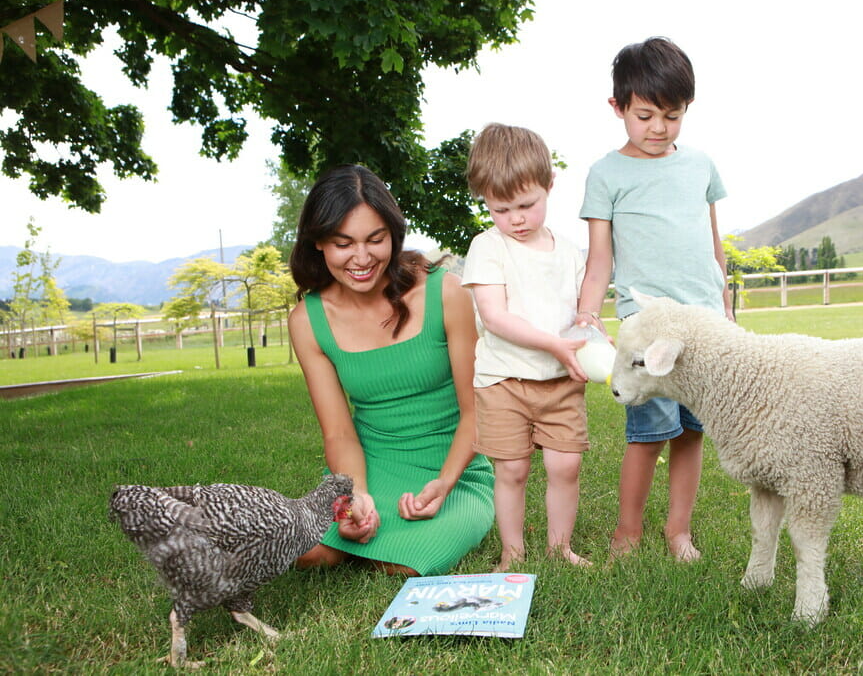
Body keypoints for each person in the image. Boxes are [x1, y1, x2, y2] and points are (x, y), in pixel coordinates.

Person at [289, 164, 495, 576]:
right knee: (306, 555)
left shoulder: (444, 292)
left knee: (402, 565)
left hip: (452, 470)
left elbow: (476, 411)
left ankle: (395, 538)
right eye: (343, 243)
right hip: (368, 466)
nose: (362, 258)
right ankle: (355, 528)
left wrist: (445, 483)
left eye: (375, 239)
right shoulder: (308, 320)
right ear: (319, 244)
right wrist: (356, 497)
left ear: (394, 235)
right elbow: (339, 432)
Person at [576, 37, 733, 563]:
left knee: (691, 432)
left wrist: (726, 309)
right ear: (617, 108)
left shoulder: (700, 166)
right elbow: (600, 261)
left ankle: (678, 531)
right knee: (648, 434)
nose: (659, 128)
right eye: (645, 115)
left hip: (704, 324)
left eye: (673, 115)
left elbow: (713, 246)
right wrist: (586, 314)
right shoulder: (606, 175)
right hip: (647, 325)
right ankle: (627, 533)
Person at [461, 123, 592, 571]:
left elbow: (582, 315)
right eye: (500, 209)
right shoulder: (487, 247)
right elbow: (495, 317)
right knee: (511, 471)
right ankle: (512, 552)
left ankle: (560, 548)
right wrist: (555, 344)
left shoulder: (571, 253)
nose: (515, 218)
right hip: (504, 381)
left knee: (565, 467)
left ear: (549, 186)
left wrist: (592, 336)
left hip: (560, 382)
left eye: (526, 205)